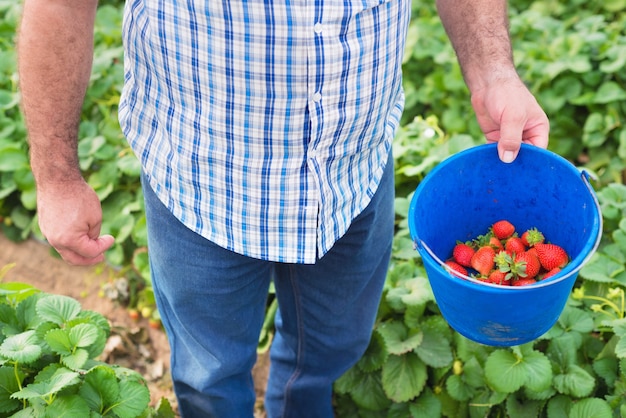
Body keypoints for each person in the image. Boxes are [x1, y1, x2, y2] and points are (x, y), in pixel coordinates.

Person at [17, 0, 549, 416]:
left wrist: (493, 70)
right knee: (209, 374)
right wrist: (57, 175)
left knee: (332, 349)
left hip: (353, 168)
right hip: (203, 179)